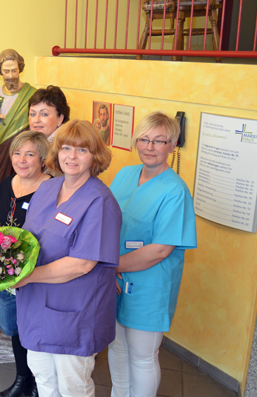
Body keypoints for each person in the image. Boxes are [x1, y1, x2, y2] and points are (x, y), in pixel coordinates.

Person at [14, 120, 122, 397]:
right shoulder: (49, 188)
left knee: (72, 384)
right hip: (37, 304)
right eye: (65, 148)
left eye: (82, 150)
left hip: (75, 310)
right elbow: (28, 239)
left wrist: (24, 277)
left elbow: (82, 263)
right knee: (42, 376)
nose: (71, 157)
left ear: (95, 156)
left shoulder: (100, 201)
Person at [108, 112, 197, 397]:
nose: (150, 147)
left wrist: (111, 267)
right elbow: (106, 221)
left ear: (172, 145)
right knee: (116, 346)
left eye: (159, 141)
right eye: (144, 139)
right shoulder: (125, 175)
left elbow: (160, 249)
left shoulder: (175, 191)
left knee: (142, 357)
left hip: (148, 286)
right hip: (115, 281)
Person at [0, 130, 51, 397]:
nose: (22, 160)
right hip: (7, 274)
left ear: (43, 159)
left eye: (30, 154)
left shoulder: (51, 188)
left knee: (36, 329)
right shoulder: (5, 184)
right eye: (17, 153)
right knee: (15, 329)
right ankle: (22, 379)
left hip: (36, 274)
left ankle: (40, 383)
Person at [0, 49, 37, 217]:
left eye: (14, 70)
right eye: (6, 71)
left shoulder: (32, 95)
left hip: (27, 155)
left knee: (25, 196)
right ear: (0, 72)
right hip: (1, 156)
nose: (10, 75)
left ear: (20, 69)